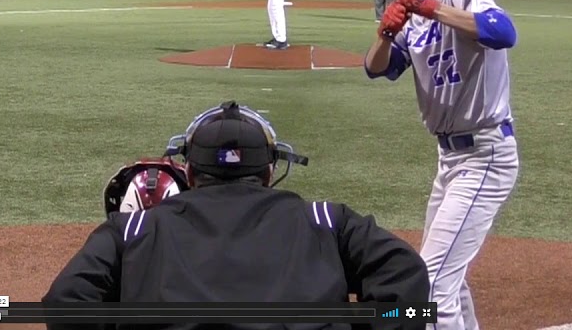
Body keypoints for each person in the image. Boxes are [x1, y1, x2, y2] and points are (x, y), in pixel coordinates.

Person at [43, 101, 430, 330]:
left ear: (190, 173)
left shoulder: (135, 228)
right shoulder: (327, 220)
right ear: (268, 173)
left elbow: (65, 303)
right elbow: (407, 282)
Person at [362, 0, 520, 330]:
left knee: (431, 286)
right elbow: (377, 68)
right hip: (449, 160)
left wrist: (430, 7)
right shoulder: (410, 6)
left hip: (485, 155)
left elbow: (503, 32)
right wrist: (387, 31)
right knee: (446, 275)